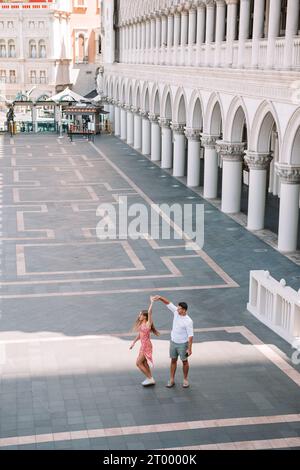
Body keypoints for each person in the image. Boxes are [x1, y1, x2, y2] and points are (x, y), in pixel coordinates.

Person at [152, 295, 193, 388]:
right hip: (173, 342)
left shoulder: (188, 321)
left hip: (183, 344)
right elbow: (168, 303)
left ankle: (185, 379)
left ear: (184, 310)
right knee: (173, 360)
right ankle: (171, 380)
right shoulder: (176, 312)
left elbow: (190, 336)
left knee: (184, 361)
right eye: (177, 308)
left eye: (179, 309)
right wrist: (160, 298)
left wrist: (189, 349)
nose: (177, 309)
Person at [130, 297, 159, 386]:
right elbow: (140, 335)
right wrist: (134, 343)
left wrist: (152, 302)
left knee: (138, 363)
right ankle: (150, 378)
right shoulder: (142, 323)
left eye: (140, 315)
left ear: (145, 316)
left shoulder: (147, 324)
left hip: (146, 346)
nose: (139, 316)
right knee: (144, 362)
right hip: (143, 345)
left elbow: (150, 312)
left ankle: (150, 378)